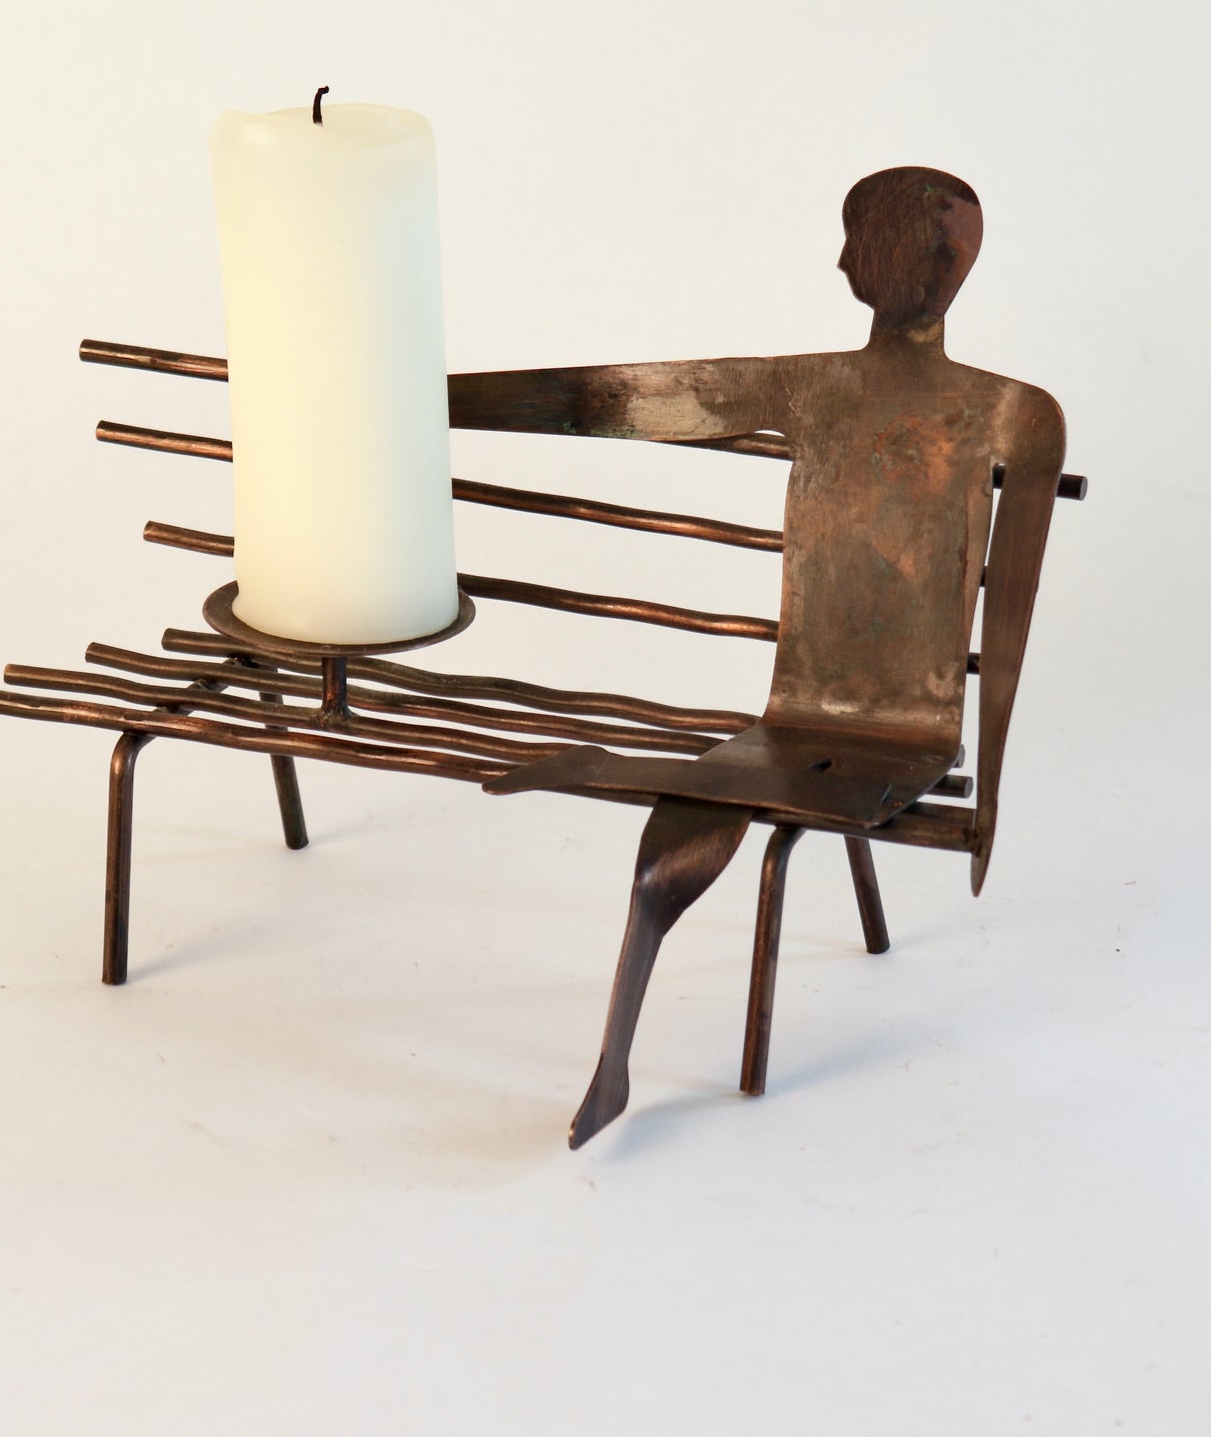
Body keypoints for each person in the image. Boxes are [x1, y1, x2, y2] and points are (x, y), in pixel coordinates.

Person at [449, 167, 1067, 1145]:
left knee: (668, 858)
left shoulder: (1010, 414)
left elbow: (1011, 609)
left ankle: (614, 1070)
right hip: (794, 723)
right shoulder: (823, 386)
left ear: (894, 259)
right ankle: (611, 1072)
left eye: (853, 240)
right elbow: (616, 397)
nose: (839, 259)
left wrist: (981, 803)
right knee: (662, 865)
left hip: (893, 734)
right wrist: (422, 401)